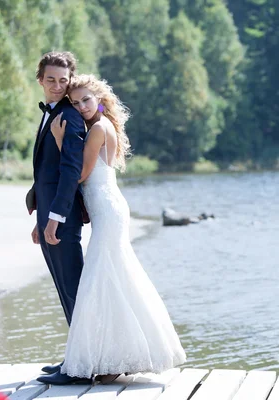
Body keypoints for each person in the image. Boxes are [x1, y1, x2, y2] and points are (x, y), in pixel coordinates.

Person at [37, 74, 186, 385]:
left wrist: (61, 139)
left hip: (107, 210)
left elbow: (80, 174)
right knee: (112, 279)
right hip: (108, 208)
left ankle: (111, 357)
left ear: (100, 99)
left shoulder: (99, 129)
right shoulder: (99, 127)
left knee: (103, 278)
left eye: (85, 101)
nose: (80, 107)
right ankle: (112, 357)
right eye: (75, 103)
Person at [25, 51, 89, 383]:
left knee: (73, 288)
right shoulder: (51, 114)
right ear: (40, 80)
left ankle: (82, 368)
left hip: (61, 218)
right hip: (49, 216)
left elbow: (69, 173)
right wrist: (40, 218)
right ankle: (75, 358)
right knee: (64, 287)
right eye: (51, 79)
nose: (57, 86)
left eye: (63, 80)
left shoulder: (69, 117)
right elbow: (44, 171)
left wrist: (55, 218)